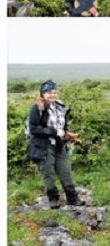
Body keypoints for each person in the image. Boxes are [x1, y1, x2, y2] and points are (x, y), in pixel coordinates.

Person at [27, 80, 82, 208]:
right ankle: (53, 199)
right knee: (48, 173)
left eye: (54, 92)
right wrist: (54, 132)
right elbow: (33, 129)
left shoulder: (60, 106)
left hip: (59, 144)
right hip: (43, 146)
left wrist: (67, 136)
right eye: (49, 92)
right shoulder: (37, 108)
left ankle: (72, 198)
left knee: (65, 171)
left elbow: (63, 126)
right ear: (43, 94)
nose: (52, 95)